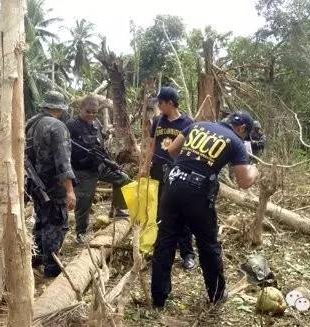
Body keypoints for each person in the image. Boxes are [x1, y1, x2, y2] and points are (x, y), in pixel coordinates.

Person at [151, 111, 259, 308]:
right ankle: (216, 295)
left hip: (173, 184)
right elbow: (244, 182)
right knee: (208, 245)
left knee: (165, 240)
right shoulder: (235, 141)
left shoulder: (198, 125)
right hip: (197, 192)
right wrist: (255, 170)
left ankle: (159, 299)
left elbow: (173, 149)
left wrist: (186, 166)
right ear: (242, 129)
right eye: (245, 134)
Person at [140, 86, 196, 270]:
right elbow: (152, 145)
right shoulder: (158, 121)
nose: (159, 107)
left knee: (182, 211)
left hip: (178, 171)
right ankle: (162, 249)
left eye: (161, 103)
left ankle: (187, 253)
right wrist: (145, 166)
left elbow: (191, 150)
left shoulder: (188, 122)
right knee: (159, 211)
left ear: (170, 103)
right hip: (158, 169)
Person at [66, 95, 130, 244]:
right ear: (80, 109)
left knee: (123, 178)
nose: (92, 115)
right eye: (88, 112)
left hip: (99, 166)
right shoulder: (71, 126)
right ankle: (81, 233)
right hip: (83, 171)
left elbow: (101, 148)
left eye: (95, 112)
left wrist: (112, 163)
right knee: (84, 202)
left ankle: (116, 210)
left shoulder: (96, 124)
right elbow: (65, 151)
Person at [25, 91, 76, 277]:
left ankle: (36, 257)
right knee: (55, 223)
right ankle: (52, 267)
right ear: (59, 108)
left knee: (41, 220)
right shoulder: (57, 127)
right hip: (54, 186)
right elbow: (63, 162)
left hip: (36, 183)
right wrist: (70, 190)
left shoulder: (31, 125)